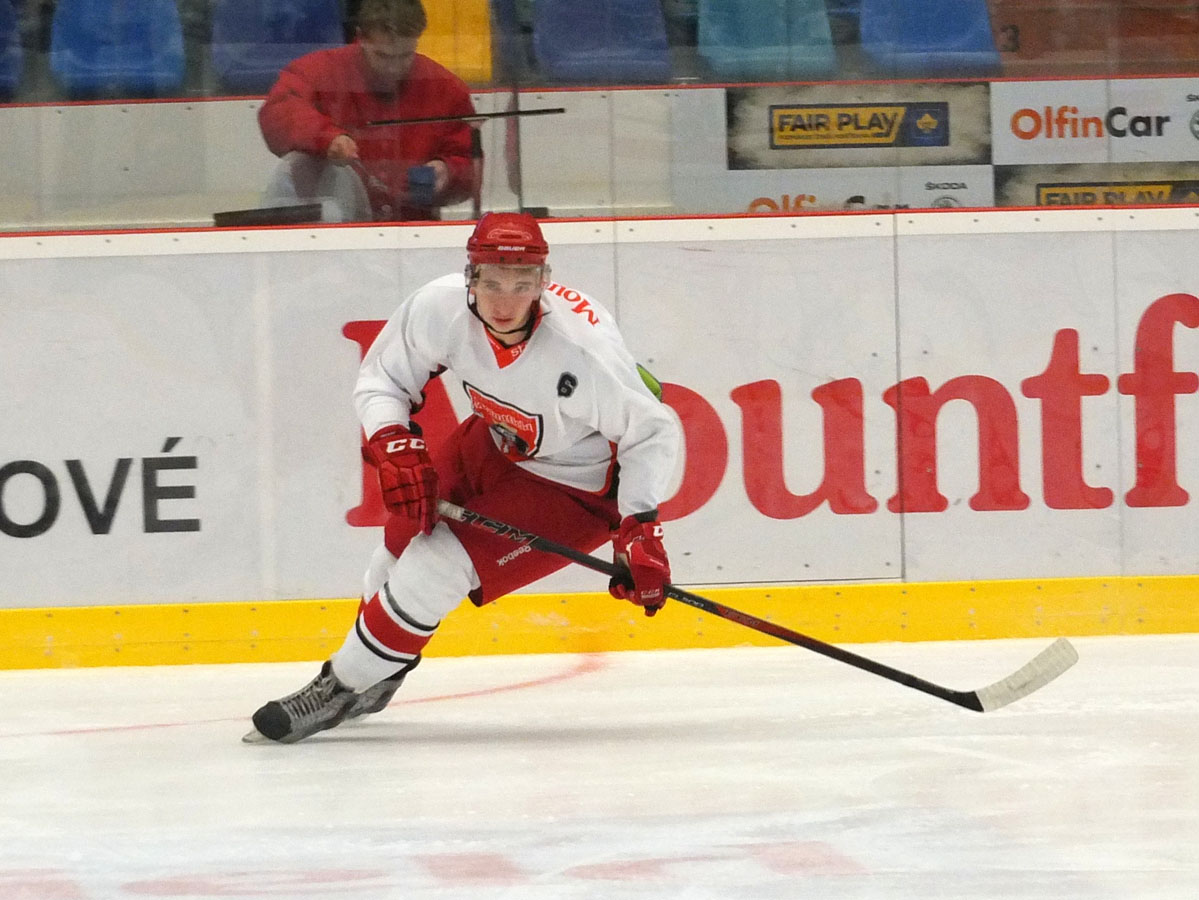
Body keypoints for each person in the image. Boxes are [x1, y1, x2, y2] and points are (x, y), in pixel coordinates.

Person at [246, 212, 682, 743]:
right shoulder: (439, 307)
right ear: (470, 276)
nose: (505, 302)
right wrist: (391, 438)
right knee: (401, 538)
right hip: (495, 439)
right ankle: (380, 673)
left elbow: (652, 431)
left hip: (578, 485)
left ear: (543, 283)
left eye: (521, 284)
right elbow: (383, 377)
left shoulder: (582, 350)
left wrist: (640, 528)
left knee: (437, 566)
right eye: (492, 283)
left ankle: (338, 687)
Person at [257, 0, 478, 222]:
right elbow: (279, 111)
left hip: (413, 229)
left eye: (405, 56)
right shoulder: (316, 72)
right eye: (382, 55)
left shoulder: (446, 88)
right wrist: (327, 138)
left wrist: (448, 171)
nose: (393, 67)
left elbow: (467, 161)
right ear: (360, 38)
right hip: (334, 226)